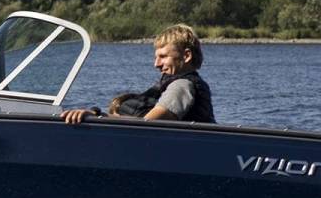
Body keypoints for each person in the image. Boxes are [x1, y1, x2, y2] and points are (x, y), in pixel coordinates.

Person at [61, 23, 215, 125]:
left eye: (163, 56)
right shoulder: (178, 83)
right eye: (156, 57)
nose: (156, 64)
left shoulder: (182, 86)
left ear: (186, 56)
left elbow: (146, 124)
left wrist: (96, 116)